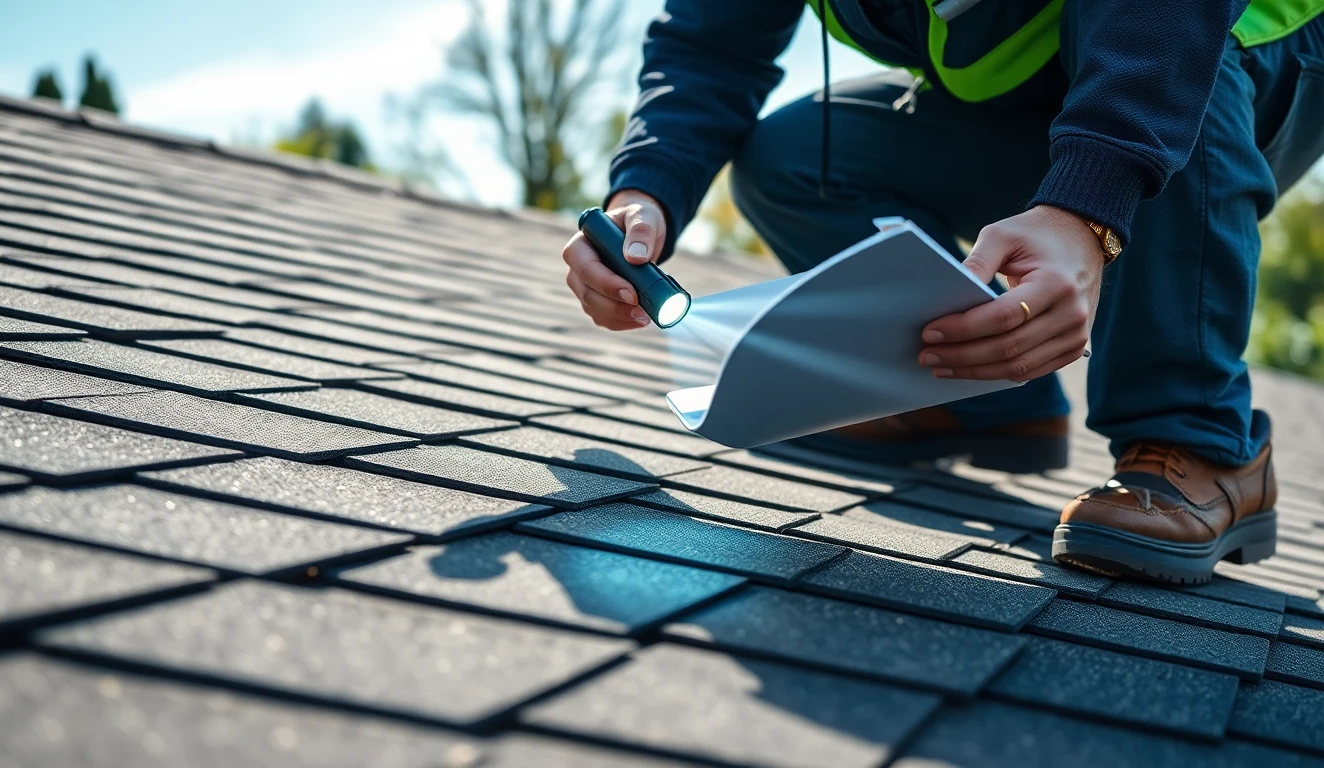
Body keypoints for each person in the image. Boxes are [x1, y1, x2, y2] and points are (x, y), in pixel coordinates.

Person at [559, 0, 1324, 584]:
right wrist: (645, 192)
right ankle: (975, 397)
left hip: (1224, 42)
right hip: (1056, 81)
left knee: (1186, 64)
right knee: (795, 159)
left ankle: (1205, 441)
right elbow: (712, 42)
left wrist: (1087, 208)